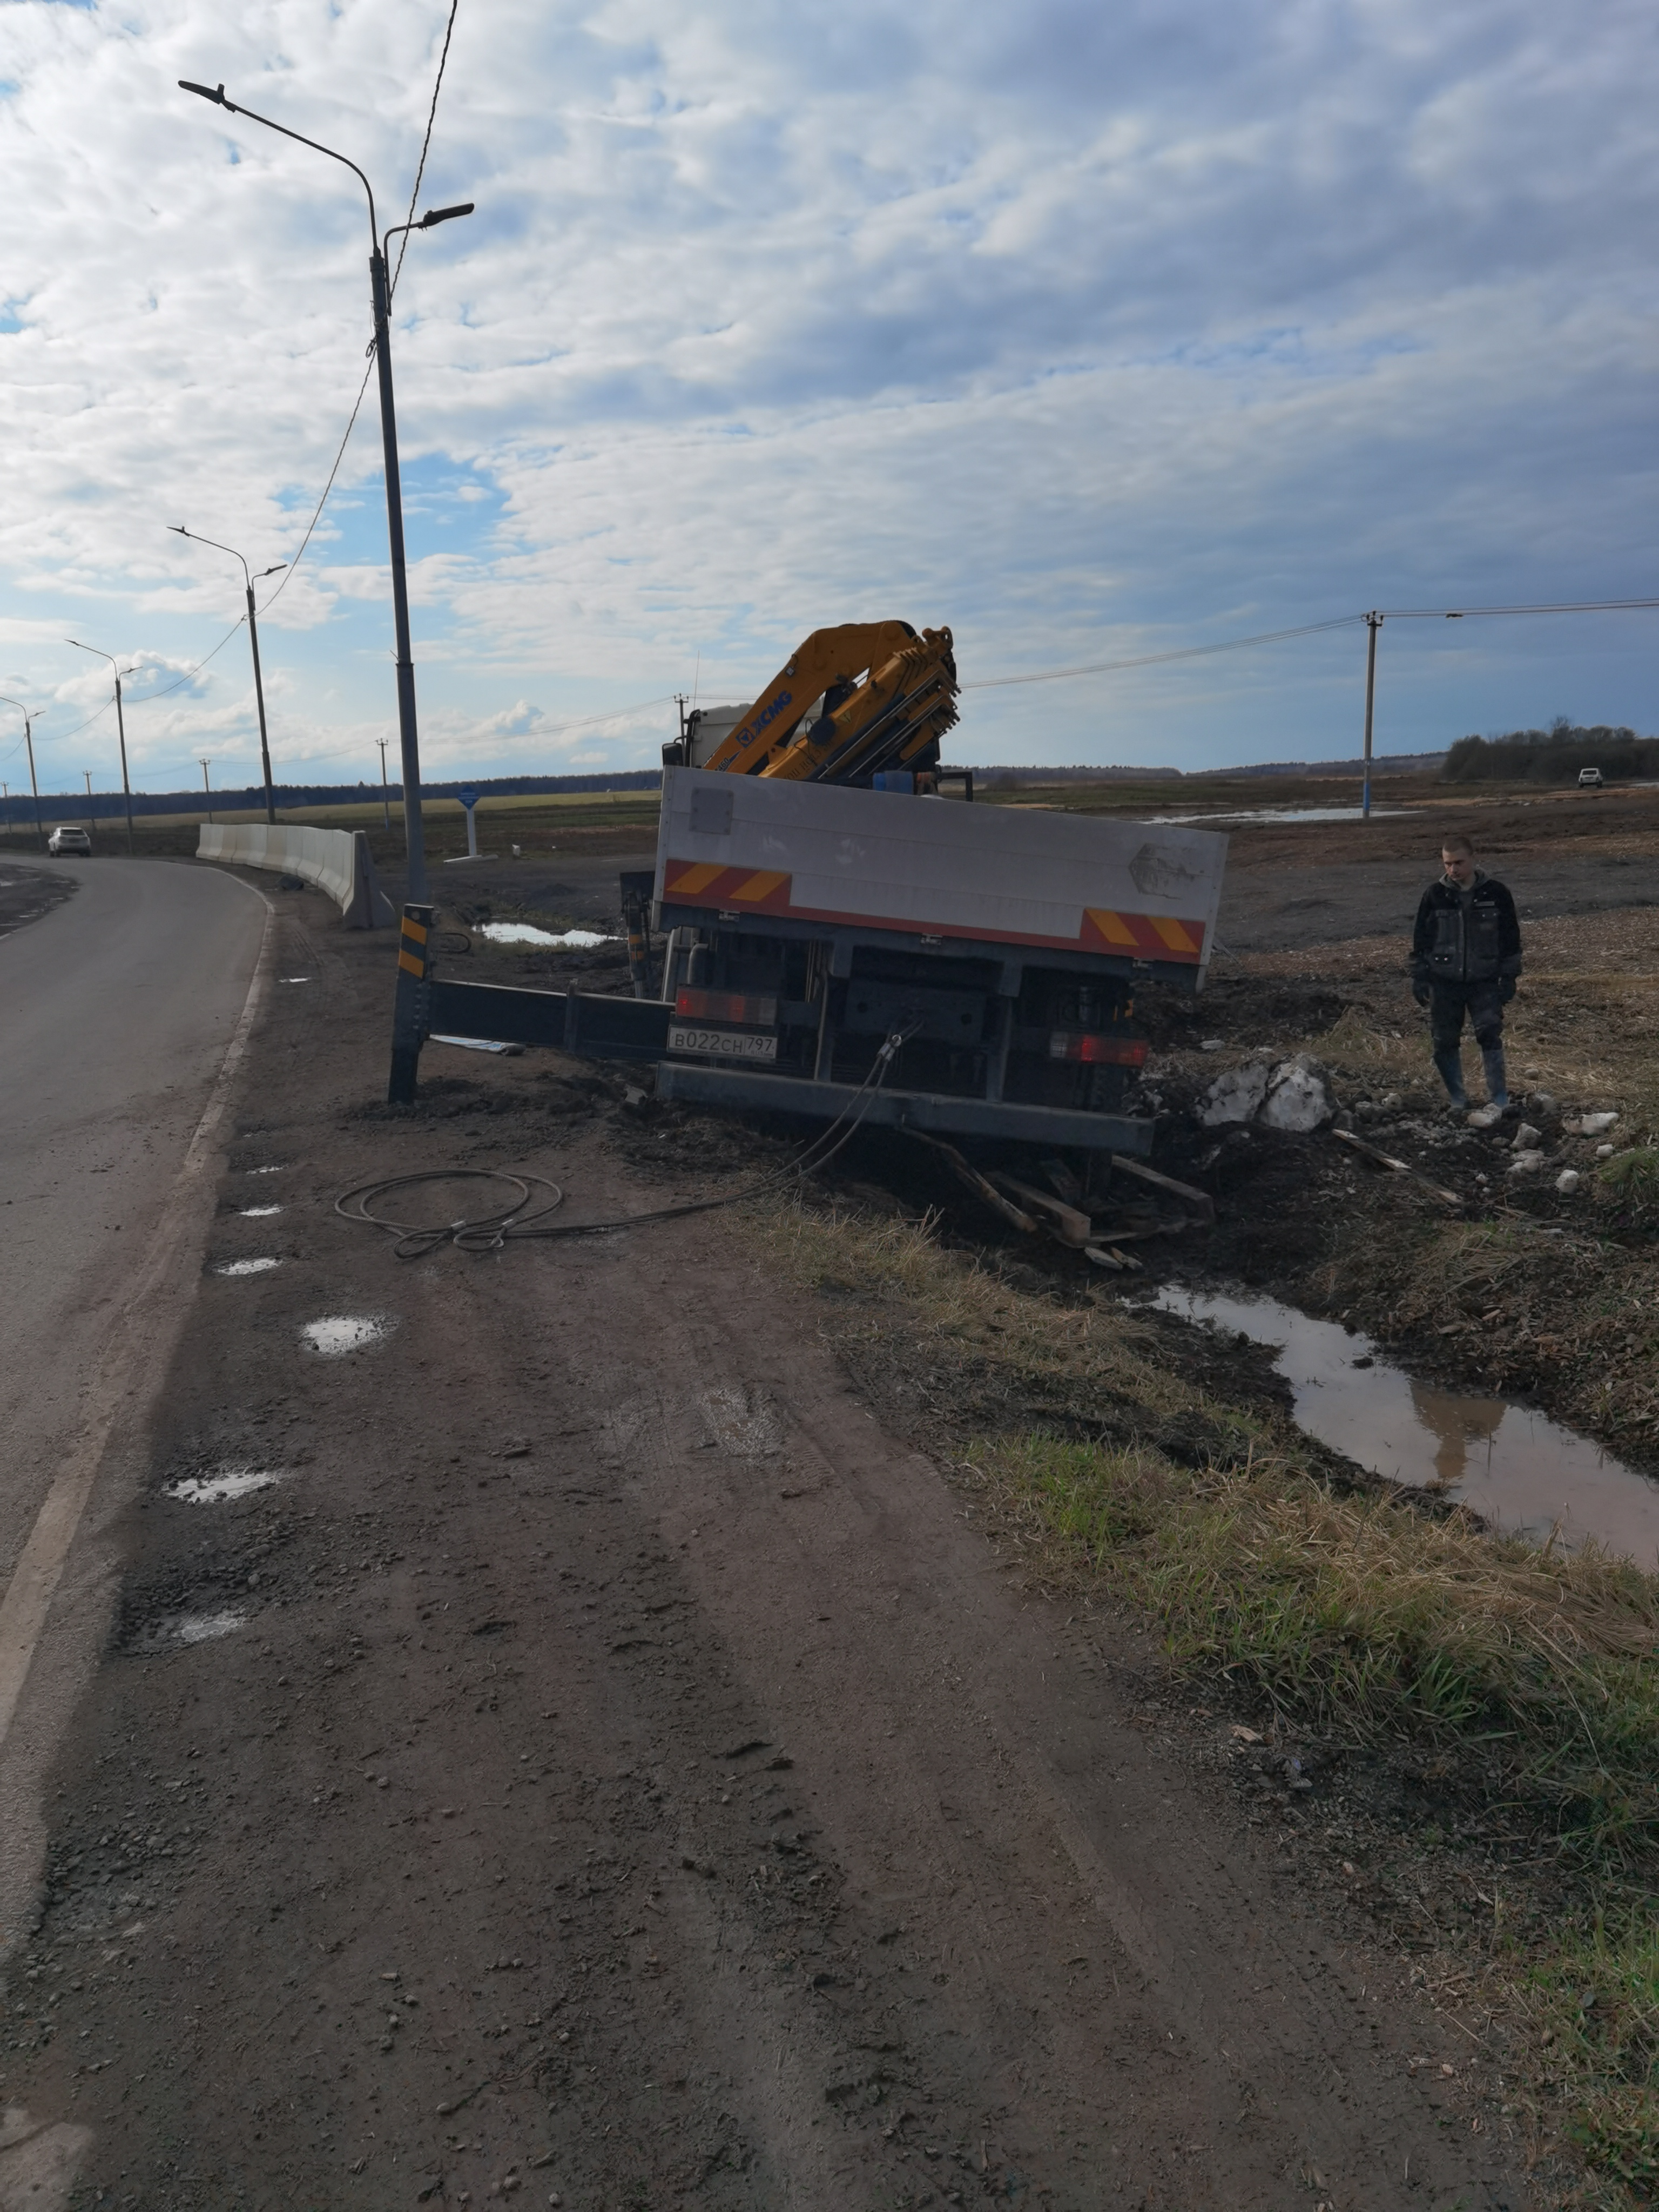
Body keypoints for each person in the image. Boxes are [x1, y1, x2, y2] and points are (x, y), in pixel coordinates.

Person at [1410, 833, 1522, 1112]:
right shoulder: (1435, 896)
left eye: (1459, 862)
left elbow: (1511, 940)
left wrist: (1509, 976)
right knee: (1444, 1040)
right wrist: (1419, 977)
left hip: (1485, 980)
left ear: (1473, 858)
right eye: (1447, 864)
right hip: (1444, 981)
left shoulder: (1497, 894)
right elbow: (1421, 940)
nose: (1453, 869)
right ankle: (1458, 1100)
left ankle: (1499, 1100)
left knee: (1490, 1035)